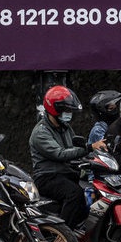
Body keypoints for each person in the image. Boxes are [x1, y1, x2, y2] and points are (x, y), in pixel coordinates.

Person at [30, 85, 107, 230]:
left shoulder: (65, 127)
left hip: (66, 174)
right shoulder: (41, 132)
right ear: (55, 109)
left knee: (91, 192)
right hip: (48, 177)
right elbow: (60, 154)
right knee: (74, 194)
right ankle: (63, 234)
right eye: (66, 110)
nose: (68, 114)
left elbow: (74, 146)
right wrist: (89, 147)